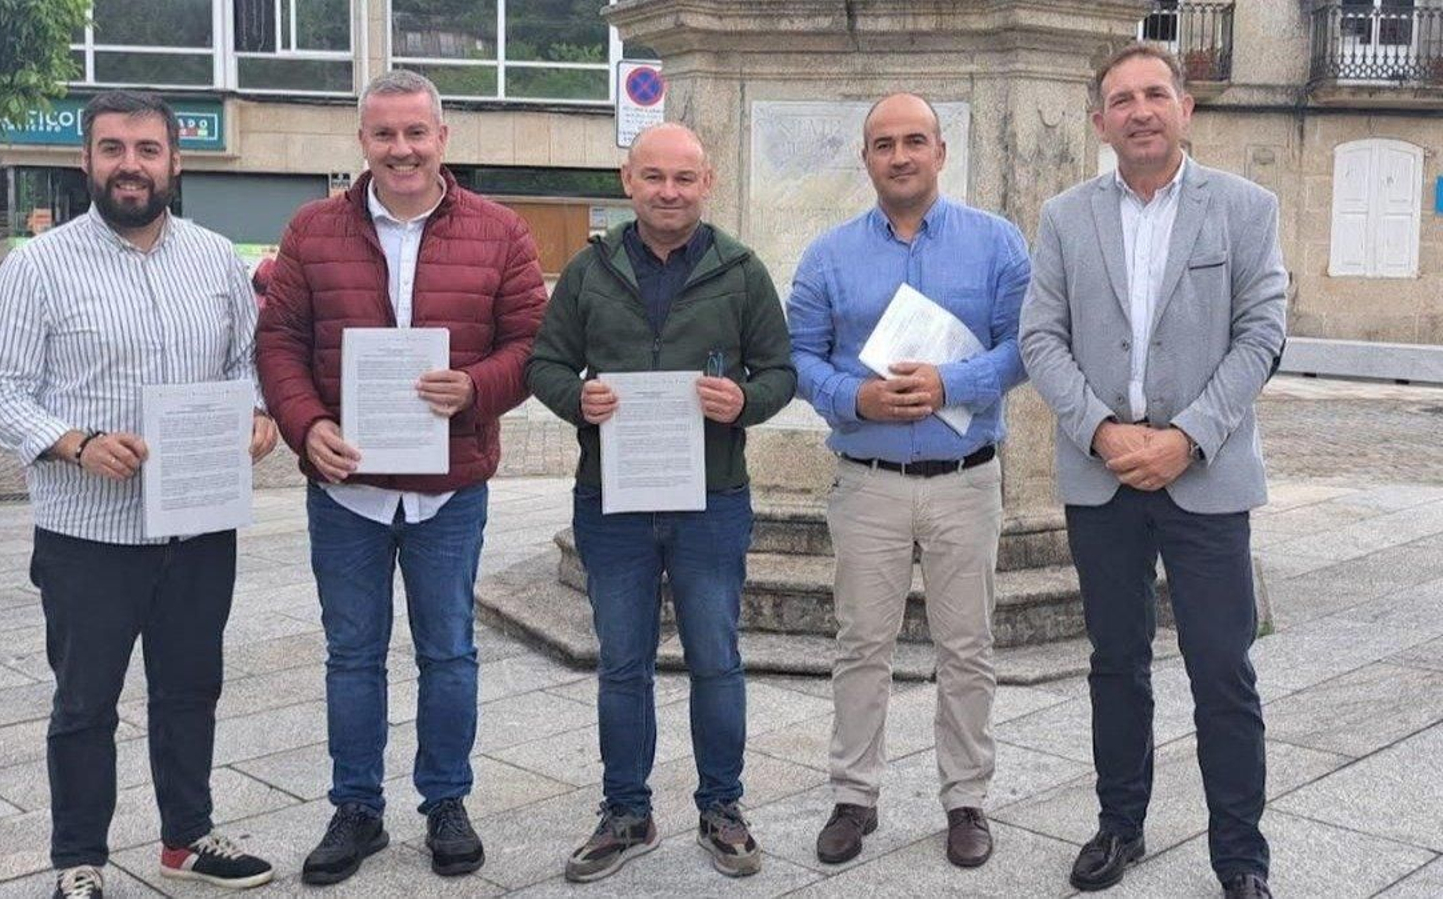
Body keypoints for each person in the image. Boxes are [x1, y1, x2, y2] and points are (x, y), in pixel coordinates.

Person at [0, 90, 279, 899]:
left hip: (199, 522)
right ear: (88, 162)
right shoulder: (37, 266)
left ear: (176, 161)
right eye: (113, 149)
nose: (130, 165)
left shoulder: (215, 258)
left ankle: (187, 837)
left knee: (190, 689)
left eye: (146, 149)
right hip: (88, 533)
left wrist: (256, 412)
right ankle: (80, 857)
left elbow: (245, 360)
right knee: (85, 703)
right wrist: (74, 444)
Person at [254, 70, 546, 885]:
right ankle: (356, 807)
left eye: (416, 132)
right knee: (352, 655)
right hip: (347, 488)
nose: (402, 148)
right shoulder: (312, 230)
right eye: (384, 134)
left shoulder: (500, 230)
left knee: (449, 651)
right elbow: (277, 342)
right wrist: (306, 426)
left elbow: (531, 344)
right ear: (363, 142)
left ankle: (446, 801)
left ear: (443, 138)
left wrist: (478, 386)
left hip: (449, 487)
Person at [1018, 42, 1286, 899]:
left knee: (1222, 667)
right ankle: (1119, 823)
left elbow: (1262, 336)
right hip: (1102, 477)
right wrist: (1099, 429)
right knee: (1116, 660)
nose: (1139, 110)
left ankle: (1240, 855)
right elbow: (1040, 337)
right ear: (1100, 120)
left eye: (1154, 94)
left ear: (1185, 107)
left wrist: (1188, 437)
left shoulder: (1246, 209)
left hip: (1204, 475)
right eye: (1121, 99)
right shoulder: (1064, 216)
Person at [526, 122, 795, 883]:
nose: (669, 192)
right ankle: (626, 810)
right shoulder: (589, 271)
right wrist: (580, 400)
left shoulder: (741, 271)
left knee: (716, 657)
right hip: (612, 498)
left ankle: (722, 805)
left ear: (707, 182)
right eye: (654, 178)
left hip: (711, 497)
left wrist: (743, 399)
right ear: (627, 181)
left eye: (683, 179)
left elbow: (780, 372)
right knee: (622, 663)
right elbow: (546, 362)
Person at [787, 92, 1030, 871]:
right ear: (866, 158)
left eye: (914, 140)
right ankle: (854, 794)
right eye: (884, 144)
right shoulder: (827, 255)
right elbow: (799, 355)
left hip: (966, 478)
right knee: (862, 644)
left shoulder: (997, 244)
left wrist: (952, 383)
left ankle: (967, 799)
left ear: (940, 151)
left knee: (968, 647)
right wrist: (851, 396)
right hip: (870, 479)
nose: (900, 156)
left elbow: (1026, 344)